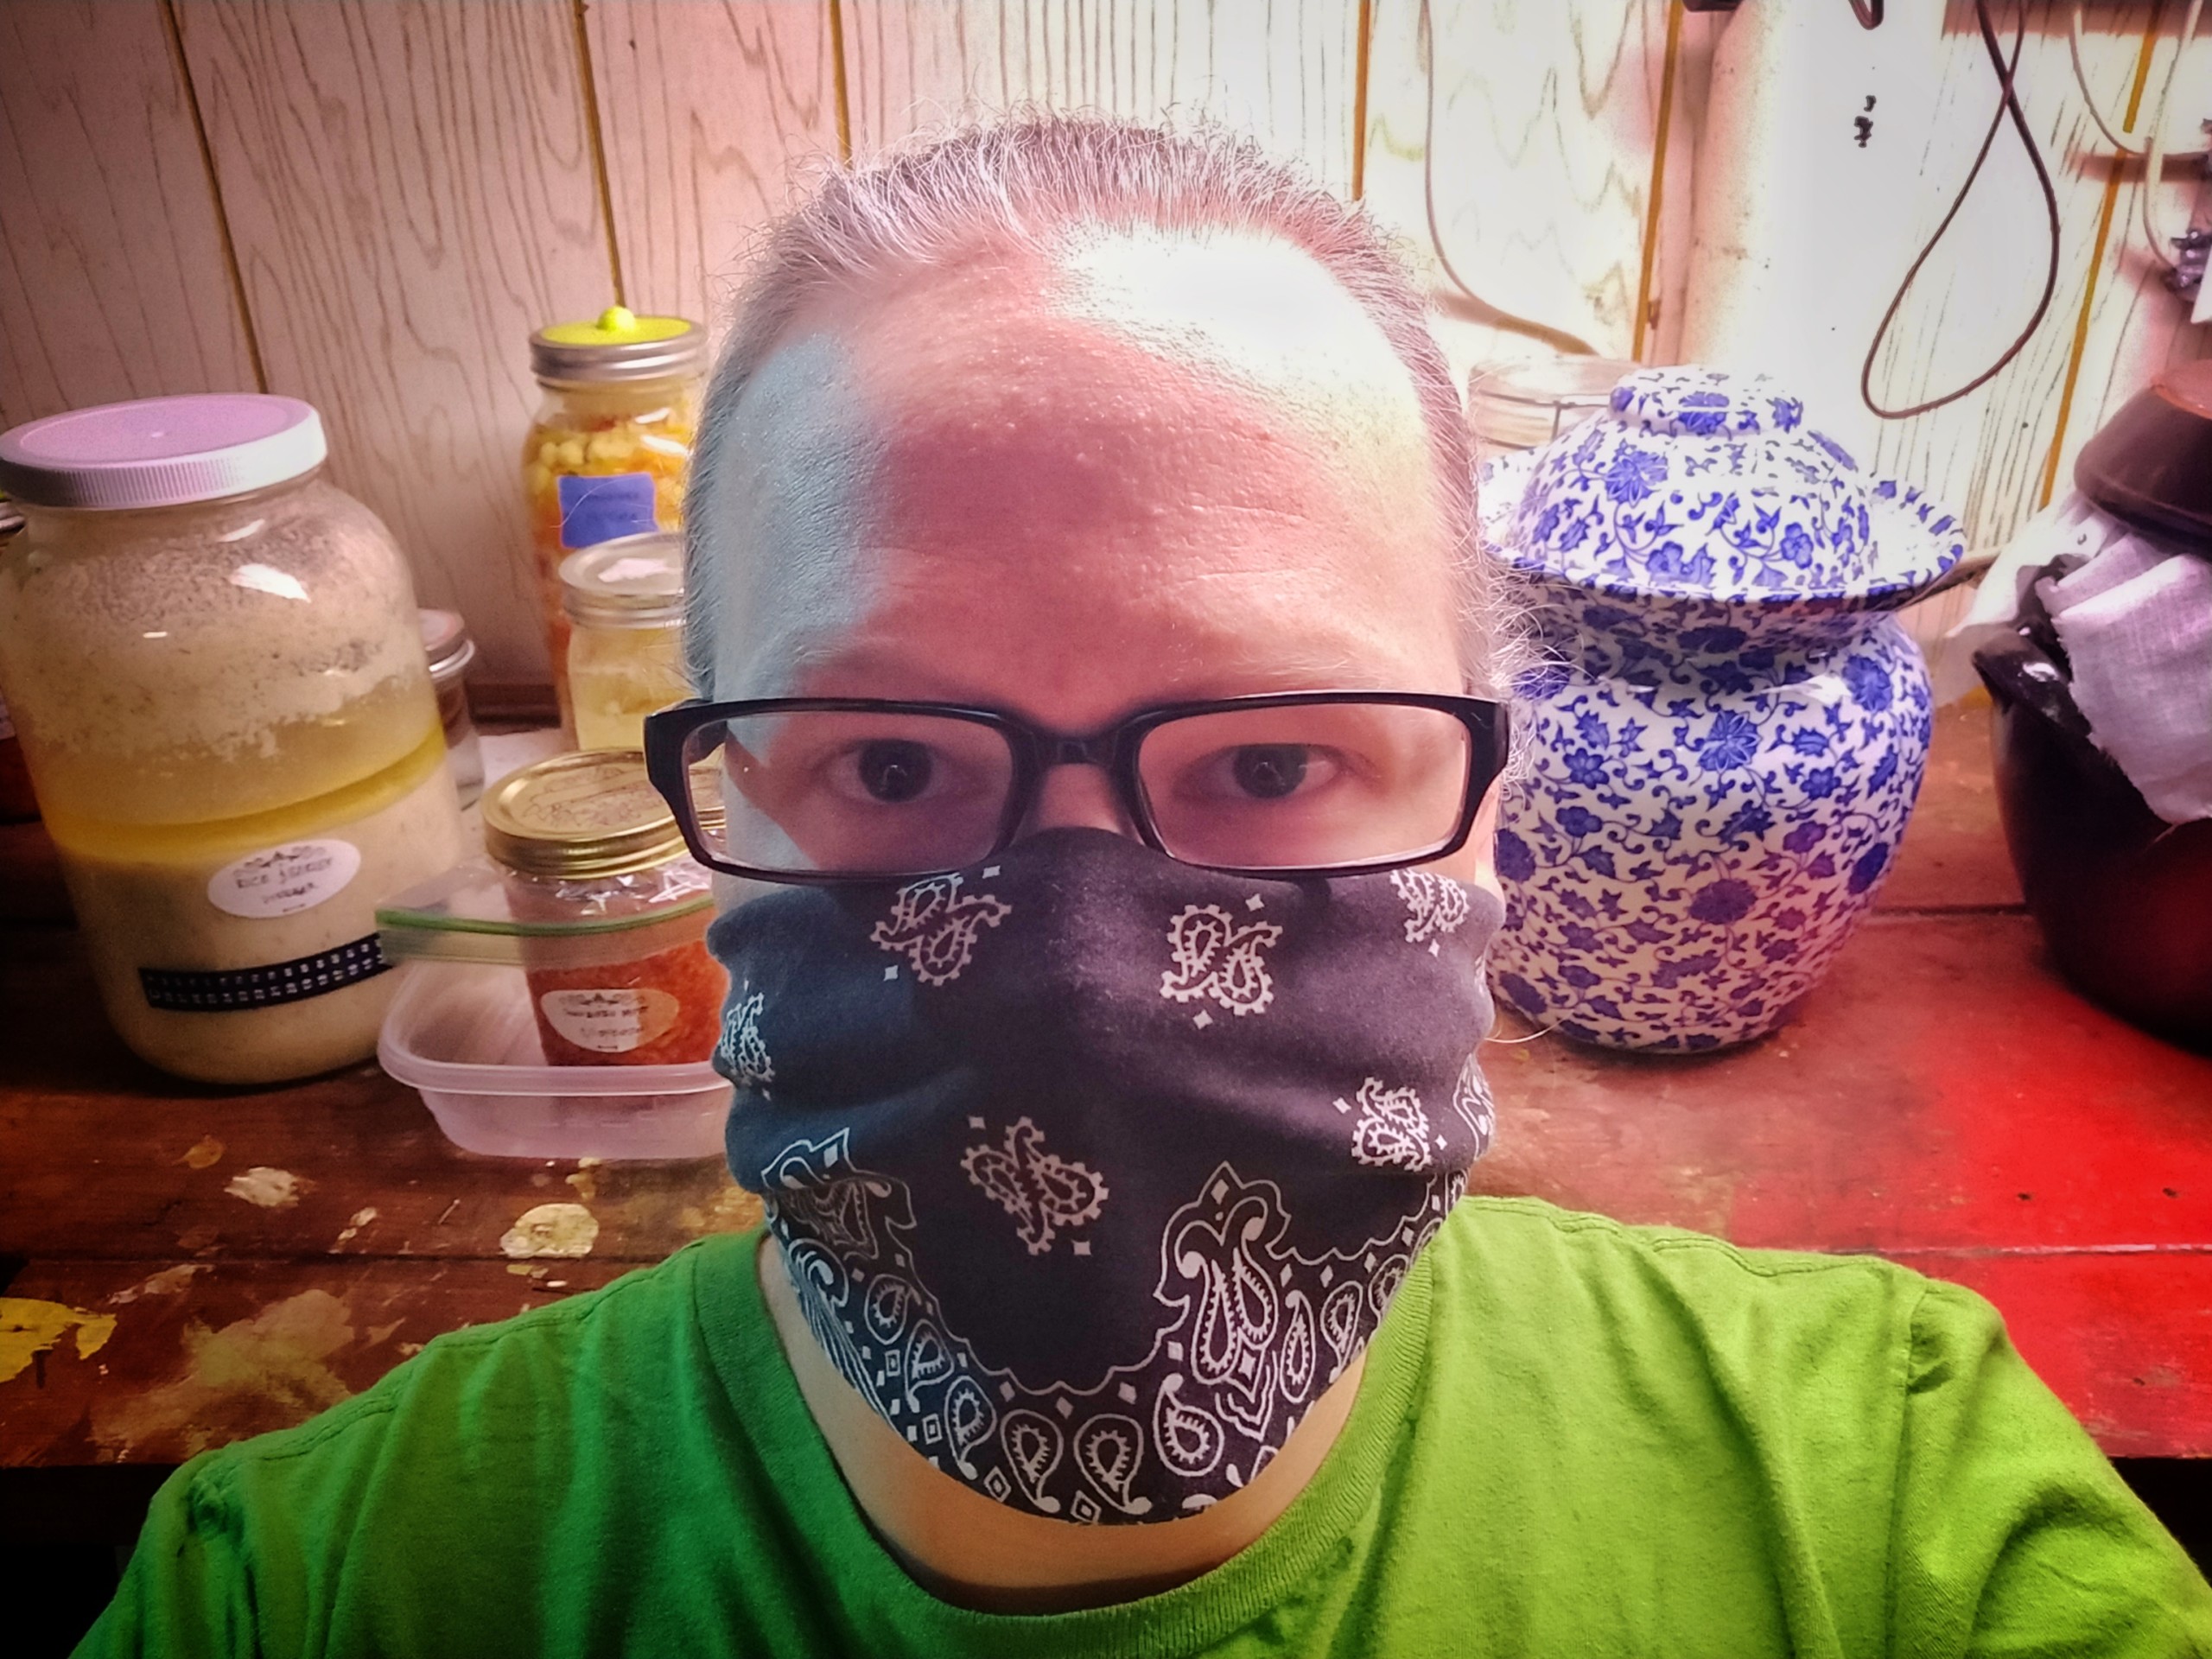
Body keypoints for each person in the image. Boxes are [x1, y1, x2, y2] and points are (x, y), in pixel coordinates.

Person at [79, 116, 2209, 1658]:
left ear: (1480, 796)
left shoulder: (1880, 1507)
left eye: (1272, 757)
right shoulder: (307, 1589)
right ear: (708, 778)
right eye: (893, 761)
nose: (1080, 965)